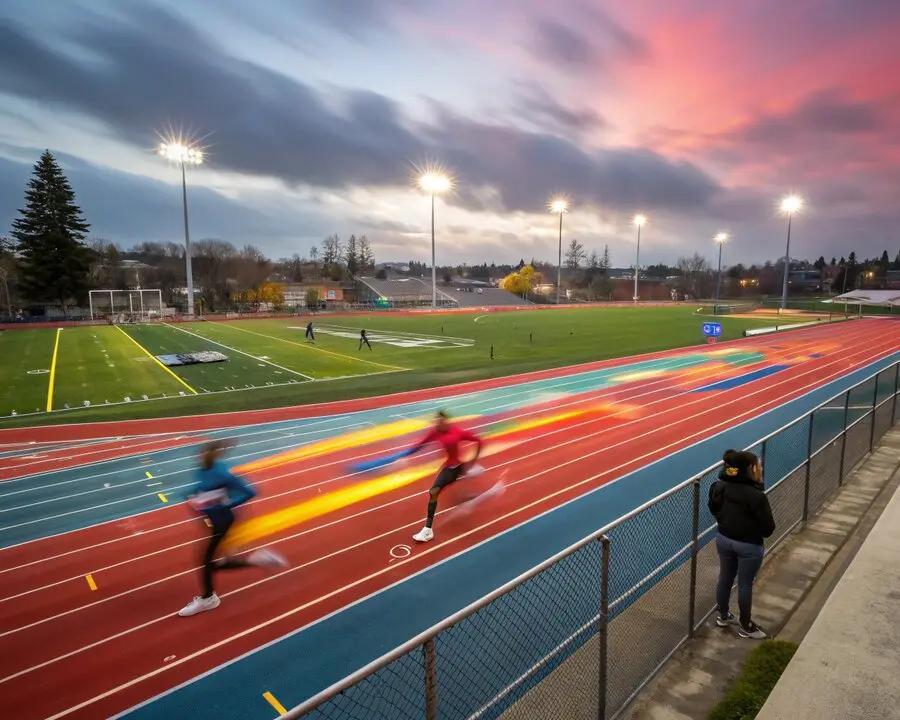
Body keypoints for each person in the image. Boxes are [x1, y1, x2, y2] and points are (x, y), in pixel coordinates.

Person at [178, 440, 288, 617]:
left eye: (202, 453)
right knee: (214, 563)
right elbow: (201, 488)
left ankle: (208, 598)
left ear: (211, 455)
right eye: (199, 454)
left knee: (206, 561)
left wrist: (226, 505)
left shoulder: (222, 473)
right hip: (211, 520)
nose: (199, 456)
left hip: (223, 521)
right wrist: (191, 495)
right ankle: (257, 560)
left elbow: (250, 491)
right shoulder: (201, 469)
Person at [708, 449, 775, 639]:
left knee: (725, 577)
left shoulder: (718, 486)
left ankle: (722, 615)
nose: (760, 467)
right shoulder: (756, 496)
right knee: (745, 584)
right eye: (758, 465)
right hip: (748, 545)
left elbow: (713, 508)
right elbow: (768, 527)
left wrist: (725, 521)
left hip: (723, 539)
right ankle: (746, 626)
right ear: (750, 469)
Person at [409, 410, 484, 543]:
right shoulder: (435, 431)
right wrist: (404, 455)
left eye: (440, 421)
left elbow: (478, 440)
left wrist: (473, 460)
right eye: (436, 421)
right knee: (435, 493)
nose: (437, 423)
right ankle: (466, 495)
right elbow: (421, 444)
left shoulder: (457, 432)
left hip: (455, 468)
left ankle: (427, 530)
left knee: (433, 492)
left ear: (446, 421)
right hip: (449, 466)